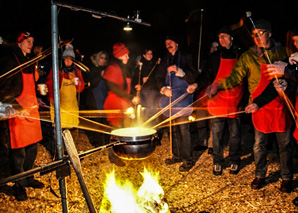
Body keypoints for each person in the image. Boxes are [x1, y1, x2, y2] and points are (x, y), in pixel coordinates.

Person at [208, 19, 293, 192]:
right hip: (258, 106)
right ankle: (260, 174)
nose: (257, 37)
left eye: (260, 33)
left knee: (284, 145)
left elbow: (292, 78)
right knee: (258, 145)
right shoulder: (248, 56)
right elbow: (234, 77)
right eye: (254, 34)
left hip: (280, 107)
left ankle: (286, 177)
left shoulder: (284, 52)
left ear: (269, 33)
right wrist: (218, 84)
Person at [190, 26, 243, 175]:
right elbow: (205, 76)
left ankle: (234, 160)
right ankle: (217, 161)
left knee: (235, 135)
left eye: (225, 36)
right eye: (220, 37)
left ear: (232, 38)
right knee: (217, 134)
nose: (222, 40)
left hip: (235, 102)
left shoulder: (240, 55)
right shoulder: (214, 58)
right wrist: (196, 84)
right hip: (217, 101)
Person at [0, 31, 44, 201]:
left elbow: (30, 85)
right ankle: (19, 186)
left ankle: (29, 178)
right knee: (19, 154)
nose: (30, 43)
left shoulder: (29, 61)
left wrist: (37, 99)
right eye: (27, 41)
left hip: (32, 111)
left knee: (32, 149)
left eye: (32, 41)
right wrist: (17, 107)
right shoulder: (12, 61)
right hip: (18, 112)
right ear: (19, 43)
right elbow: (3, 89)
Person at [156, 35, 198, 172]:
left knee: (184, 129)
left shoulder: (186, 56)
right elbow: (158, 78)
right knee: (173, 129)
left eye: (171, 42)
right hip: (170, 98)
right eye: (166, 43)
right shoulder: (165, 60)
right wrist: (163, 89)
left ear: (177, 43)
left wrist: (180, 72)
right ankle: (177, 155)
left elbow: (194, 76)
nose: (168, 45)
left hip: (184, 97)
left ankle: (188, 160)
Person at [103, 42, 139, 166]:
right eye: (126, 55)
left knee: (125, 129)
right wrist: (130, 96)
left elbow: (126, 86)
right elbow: (114, 88)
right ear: (120, 55)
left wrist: (134, 91)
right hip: (115, 102)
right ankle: (114, 155)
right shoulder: (113, 67)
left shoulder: (123, 68)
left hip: (124, 101)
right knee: (116, 130)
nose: (128, 57)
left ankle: (124, 151)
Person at [46, 44, 85, 130]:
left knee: (70, 132)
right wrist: (52, 98)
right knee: (59, 132)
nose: (68, 61)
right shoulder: (57, 71)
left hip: (72, 108)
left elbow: (81, 88)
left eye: (70, 59)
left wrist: (75, 79)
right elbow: (50, 84)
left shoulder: (76, 71)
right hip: (60, 107)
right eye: (66, 59)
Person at [131, 48, 163, 141]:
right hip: (144, 94)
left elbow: (158, 79)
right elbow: (134, 82)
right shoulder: (139, 68)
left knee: (154, 114)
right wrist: (140, 83)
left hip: (154, 93)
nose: (150, 55)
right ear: (144, 55)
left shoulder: (156, 66)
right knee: (144, 115)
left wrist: (150, 80)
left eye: (151, 53)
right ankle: (146, 136)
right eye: (148, 54)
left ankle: (156, 137)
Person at [193, 41, 219, 154]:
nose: (213, 49)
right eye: (212, 47)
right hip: (202, 97)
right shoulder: (204, 62)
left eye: (216, 47)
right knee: (200, 122)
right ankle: (202, 142)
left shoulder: (219, 63)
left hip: (214, 97)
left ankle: (213, 145)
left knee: (213, 123)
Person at [83, 51, 109, 146]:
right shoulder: (92, 70)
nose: (103, 60)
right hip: (94, 100)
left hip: (104, 99)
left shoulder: (106, 69)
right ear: (97, 58)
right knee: (96, 123)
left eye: (105, 58)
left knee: (105, 123)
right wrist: (100, 75)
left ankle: (107, 143)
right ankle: (97, 144)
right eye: (102, 58)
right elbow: (91, 84)